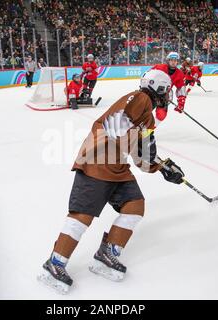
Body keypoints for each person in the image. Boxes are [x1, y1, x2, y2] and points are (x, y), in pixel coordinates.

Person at [38, 69, 185, 294]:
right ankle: (54, 264)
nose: (168, 96)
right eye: (167, 91)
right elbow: (124, 130)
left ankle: (107, 253)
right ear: (160, 89)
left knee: (134, 206)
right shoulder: (140, 98)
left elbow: (142, 157)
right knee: (82, 216)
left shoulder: (146, 112)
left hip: (117, 166)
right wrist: (148, 143)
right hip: (97, 160)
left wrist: (162, 167)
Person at [151, 52, 187, 126]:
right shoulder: (159, 67)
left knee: (161, 115)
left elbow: (181, 88)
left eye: (175, 60)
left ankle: (148, 132)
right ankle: (134, 133)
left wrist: (181, 103)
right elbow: (148, 76)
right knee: (142, 111)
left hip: (163, 96)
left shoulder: (179, 74)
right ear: (168, 60)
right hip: (151, 92)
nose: (173, 62)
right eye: (171, 60)